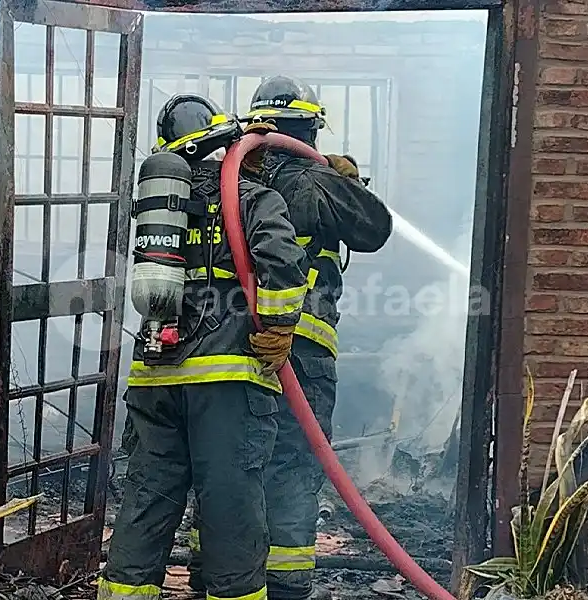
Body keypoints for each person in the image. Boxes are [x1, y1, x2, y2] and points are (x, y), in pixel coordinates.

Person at [188, 76, 393, 600]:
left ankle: (216, 575)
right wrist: (347, 183)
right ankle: (285, 583)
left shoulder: (226, 181)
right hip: (302, 349)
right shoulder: (316, 181)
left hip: (228, 347)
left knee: (227, 461)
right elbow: (375, 230)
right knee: (294, 461)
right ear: (309, 129)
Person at [99, 94, 309, 600]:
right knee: (229, 505)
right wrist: (278, 328)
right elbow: (282, 263)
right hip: (227, 381)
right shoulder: (252, 197)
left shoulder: (155, 205)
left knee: (147, 498)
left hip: (154, 378)